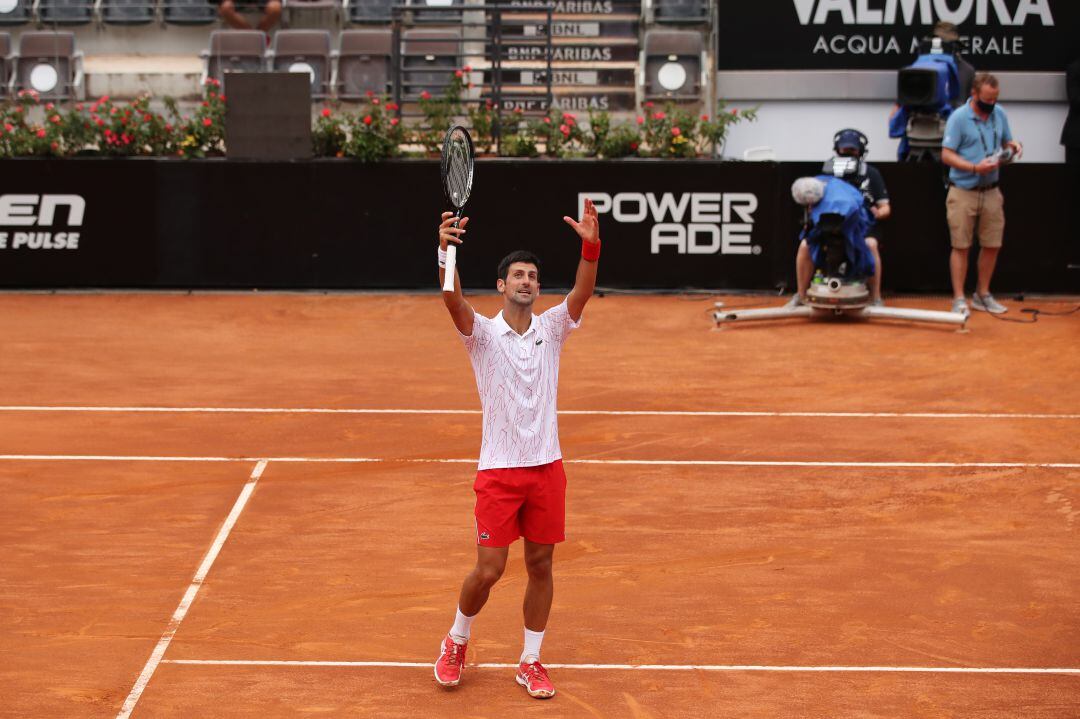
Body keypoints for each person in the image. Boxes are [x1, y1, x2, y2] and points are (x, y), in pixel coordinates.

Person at [432, 199, 601, 700]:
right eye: (518, 275)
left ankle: (530, 660)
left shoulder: (552, 328)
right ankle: (457, 639)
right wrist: (445, 253)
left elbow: (583, 291)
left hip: (546, 467)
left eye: (533, 276)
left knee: (541, 566)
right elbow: (451, 300)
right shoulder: (482, 335)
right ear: (502, 286)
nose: (527, 281)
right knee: (489, 569)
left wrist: (590, 247)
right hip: (499, 472)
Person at [940, 73, 1023, 316]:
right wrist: (975, 167)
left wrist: (1012, 149)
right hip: (963, 190)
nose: (991, 103)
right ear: (974, 95)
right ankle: (958, 298)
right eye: (987, 99)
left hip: (991, 191)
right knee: (961, 246)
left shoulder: (1000, 113)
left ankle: (982, 294)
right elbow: (946, 155)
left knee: (992, 244)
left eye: (995, 99)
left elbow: (1008, 141)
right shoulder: (958, 118)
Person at [787, 128, 889, 307]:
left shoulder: (871, 173)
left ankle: (876, 298)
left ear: (860, 151)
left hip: (862, 224)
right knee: (805, 245)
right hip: (828, 223)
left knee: (871, 245)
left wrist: (878, 212)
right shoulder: (826, 174)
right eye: (844, 149)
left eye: (852, 150)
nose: (848, 153)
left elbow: (886, 207)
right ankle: (800, 296)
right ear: (837, 150)